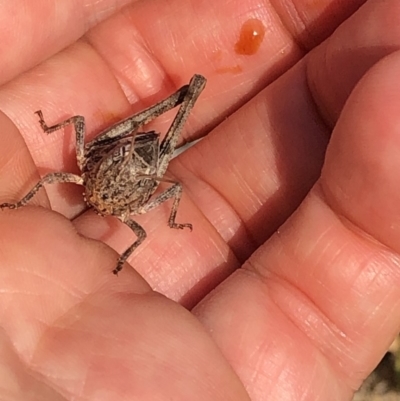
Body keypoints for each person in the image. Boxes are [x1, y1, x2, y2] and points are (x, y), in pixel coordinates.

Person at [0, 0, 398, 400]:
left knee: (168, 171)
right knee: (143, 170)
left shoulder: (113, 198)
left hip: (145, 161)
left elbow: (158, 201)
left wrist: (127, 253)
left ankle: (178, 110)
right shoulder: (93, 183)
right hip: (113, 157)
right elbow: (139, 215)